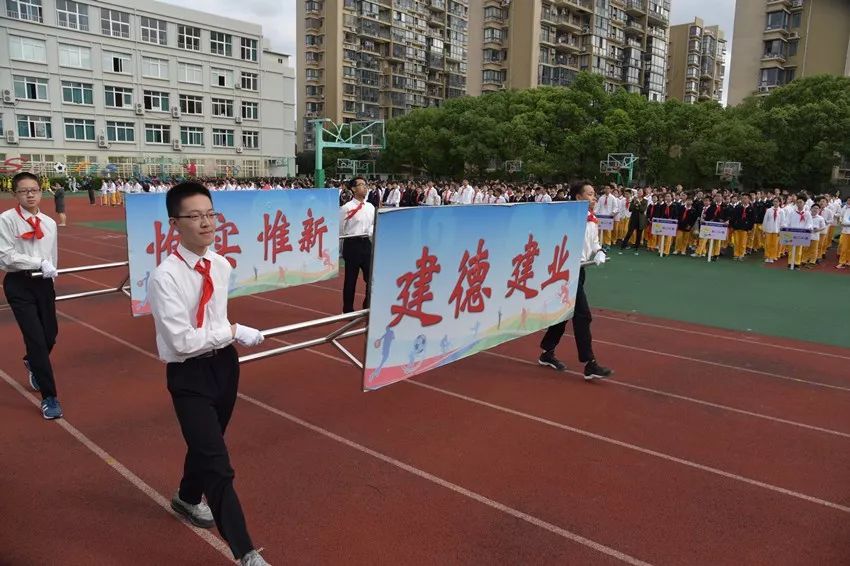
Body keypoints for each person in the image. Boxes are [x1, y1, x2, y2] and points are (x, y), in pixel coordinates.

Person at [147, 182, 270, 566]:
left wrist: (226, 338)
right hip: (189, 376)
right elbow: (182, 341)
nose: (206, 223)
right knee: (218, 463)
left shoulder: (220, 264)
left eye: (210, 214)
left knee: (207, 444)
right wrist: (233, 331)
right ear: (175, 223)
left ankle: (186, 497)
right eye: (195, 216)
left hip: (224, 367)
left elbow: (213, 318)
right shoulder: (164, 278)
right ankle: (246, 551)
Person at [0, 172, 62, 419]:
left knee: (50, 335)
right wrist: (38, 262)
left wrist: (51, 274)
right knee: (36, 338)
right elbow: (5, 256)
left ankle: (32, 361)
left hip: (44, 284)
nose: (30, 194)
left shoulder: (49, 223)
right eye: (24, 190)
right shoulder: (6, 220)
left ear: (41, 191)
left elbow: (52, 255)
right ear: (15, 194)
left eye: (34, 189)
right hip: (19, 284)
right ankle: (50, 397)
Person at [537, 181, 612, 380]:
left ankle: (547, 351)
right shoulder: (567, 219)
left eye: (594, 194)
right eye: (589, 194)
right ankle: (590, 363)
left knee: (563, 314)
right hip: (565, 273)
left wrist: (599, 252)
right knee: (583, 314)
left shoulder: (592, 220)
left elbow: (594, 243)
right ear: (578, 197)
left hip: (581, 270)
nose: (594, 198)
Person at [339, 176, 375, 313]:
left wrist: (369, 232)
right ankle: (347, 310)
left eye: (366, 184)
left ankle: (367, 306)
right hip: (352, 244)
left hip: (366, 244)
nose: (365, 187)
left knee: (371, 278)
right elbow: (341, 228)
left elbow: (372, 224)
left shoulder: (370, 207)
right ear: (353, 189)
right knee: (351, 280)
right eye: (361, 185)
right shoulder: (346, 208)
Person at [620, 188, 647, 255]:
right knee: (629, 232)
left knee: (639, 233)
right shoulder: (633, 199)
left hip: (640, 219)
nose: (639, 192)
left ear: (643, 193)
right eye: (638, 191)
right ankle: (624, 245)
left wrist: (638, 203)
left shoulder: (645, 201)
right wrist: (635, 203)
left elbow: (642, 210)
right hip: (633, 218)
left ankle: (637, 246)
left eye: (641, 191)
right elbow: (630, 209)